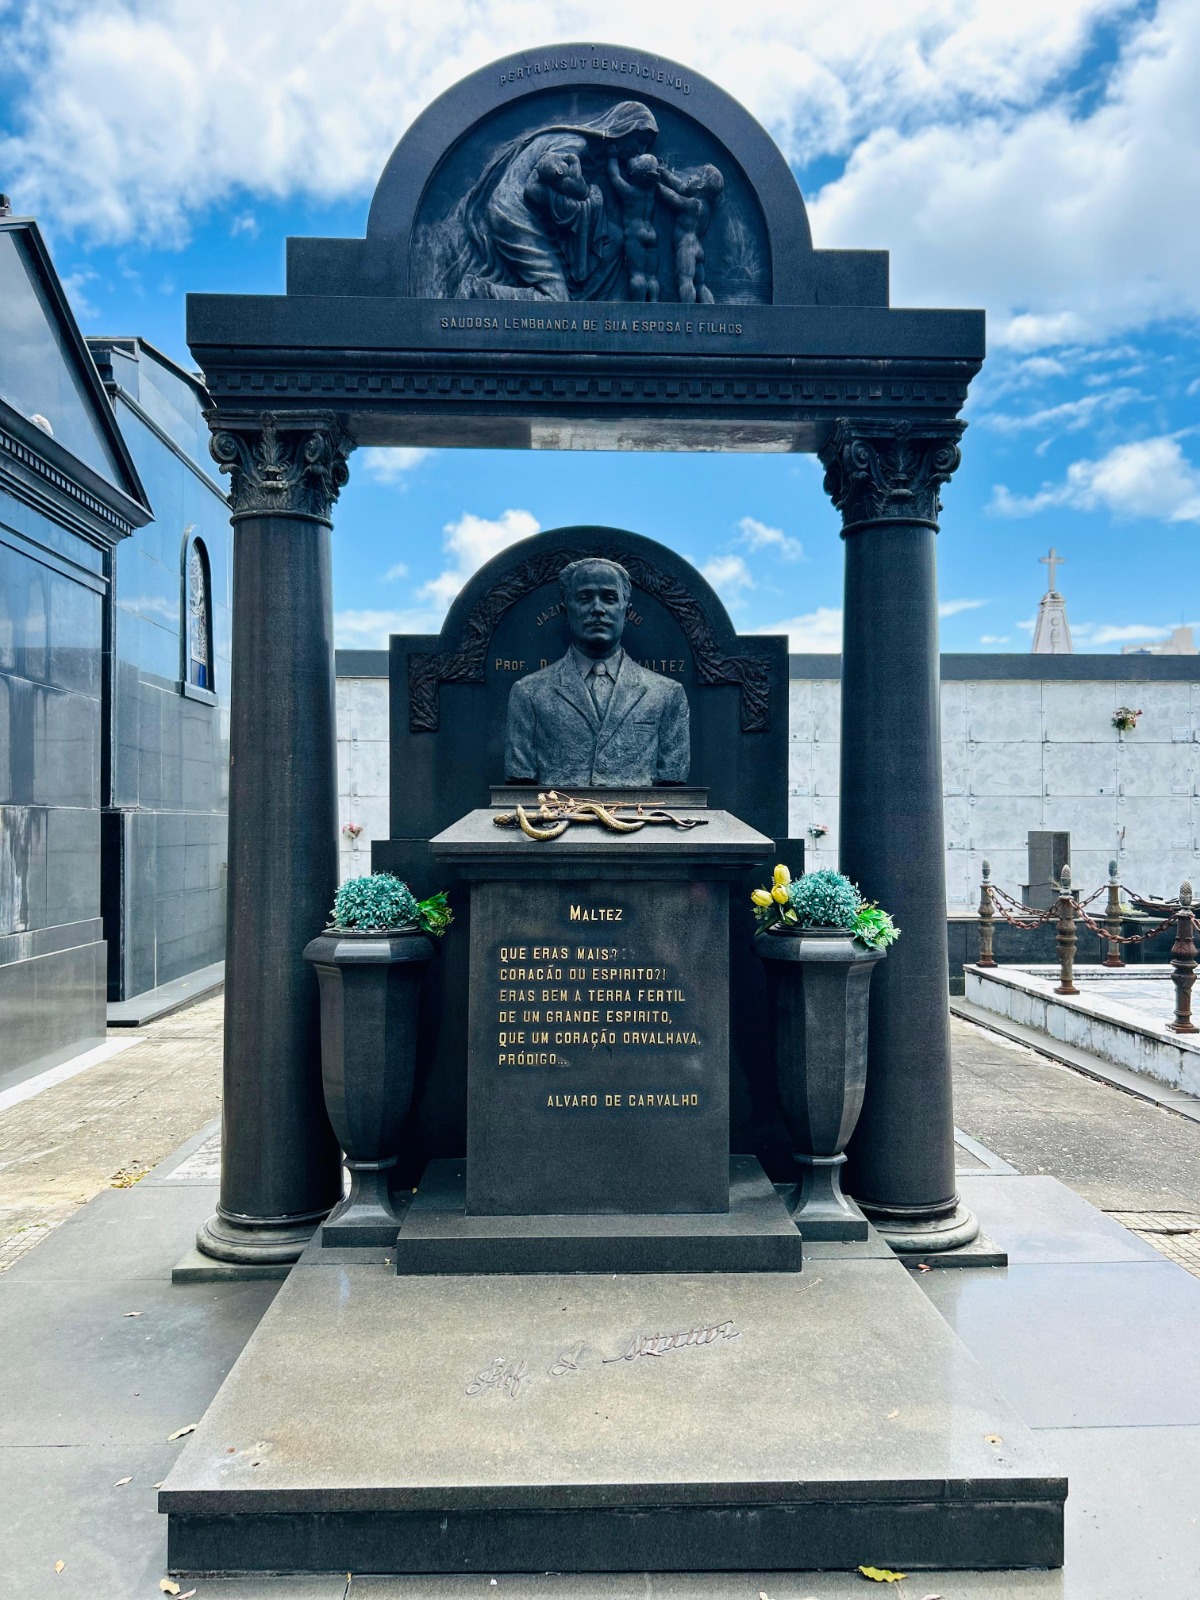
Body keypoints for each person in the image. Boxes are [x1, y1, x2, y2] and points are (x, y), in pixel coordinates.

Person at [504, 558, 690, 788]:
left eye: (609, 598)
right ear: (565, 611)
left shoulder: (668, 694)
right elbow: (519, 780)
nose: (598, 609)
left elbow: (674, 784)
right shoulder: (528, 693)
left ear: (626, 611)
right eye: (584, 598)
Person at [656, 162, 724, 305]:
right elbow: (680, 186)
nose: (690, 177)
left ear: (700, 185)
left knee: (685, 281)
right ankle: (711, 307)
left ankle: (688, 312)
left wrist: (656, 184)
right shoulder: (706, 207)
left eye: (695, 175)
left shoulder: (695, 204)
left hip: (686, 247)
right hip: (698, 248)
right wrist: (664, 171)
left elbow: (673, 197)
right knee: (700, 285)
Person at [607, 151, 661, 301]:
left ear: (633, 172)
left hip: (635, 235)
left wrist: (612, 156)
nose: (635, 158)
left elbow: (614, 175)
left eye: (637, 161)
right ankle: (655, 304)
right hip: (651, 234)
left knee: (637, 274)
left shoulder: (630, 193)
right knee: (652, 276)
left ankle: (639, 307)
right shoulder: (652, 191)